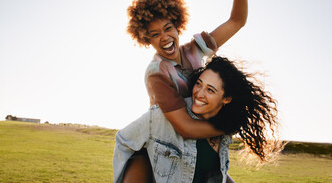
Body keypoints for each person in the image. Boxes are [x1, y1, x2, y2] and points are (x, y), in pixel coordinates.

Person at [122, 0, 248, 181]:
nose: (164, 38)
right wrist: (228, 125)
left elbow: (237, 20)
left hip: (196, 145)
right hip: (167, 147)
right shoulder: (156, 73)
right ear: (145, 39)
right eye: (154, 34)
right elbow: (185, 127)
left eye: (168, 28)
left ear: (178, 25)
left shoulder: (194, 50)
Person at [114, 56, 282, 182]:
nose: (199, 94)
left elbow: (212, 171)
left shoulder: (223, 129)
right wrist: (139, 163)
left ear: (227, 99)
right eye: (199, 84)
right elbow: (124, 140)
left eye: (210, 90)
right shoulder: (164, 116)